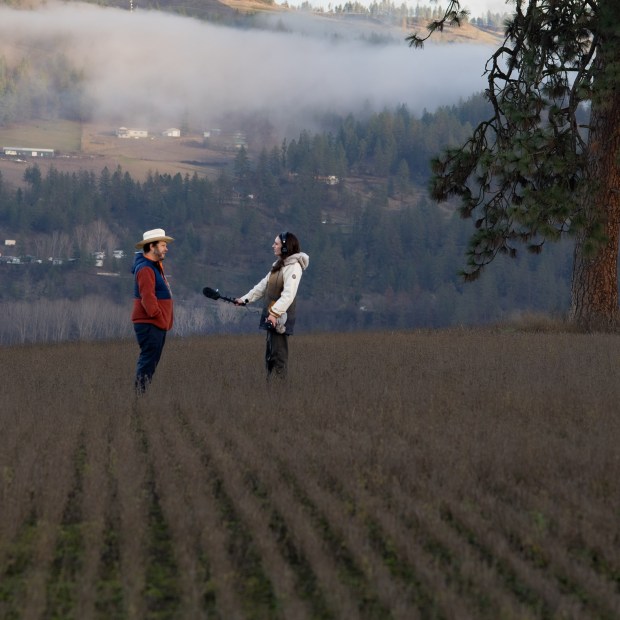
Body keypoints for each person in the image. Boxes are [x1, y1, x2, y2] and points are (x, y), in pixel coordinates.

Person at [236, 232, 309, 380]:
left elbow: (289, 295)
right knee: (269, 357)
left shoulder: (294, 267)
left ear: (284, 247)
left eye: (276, 243)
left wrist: (274, 314)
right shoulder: (277, 266)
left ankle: (280, 394)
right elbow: (262, 286)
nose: (273, 246)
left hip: (280, 319)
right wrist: (244, 299)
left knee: (279, 358)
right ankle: (270, 391)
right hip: (272, 318)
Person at [131, 228, 174, 393]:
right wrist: (159, 316)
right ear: (151, 246)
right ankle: (138, 397)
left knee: (150, 363)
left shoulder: (153, 267)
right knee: (147, 362)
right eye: (163, 245)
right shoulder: (146, 269)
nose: (166, 248)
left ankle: (141, 396)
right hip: (150, 323)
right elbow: (147, 299)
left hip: (155, 323)